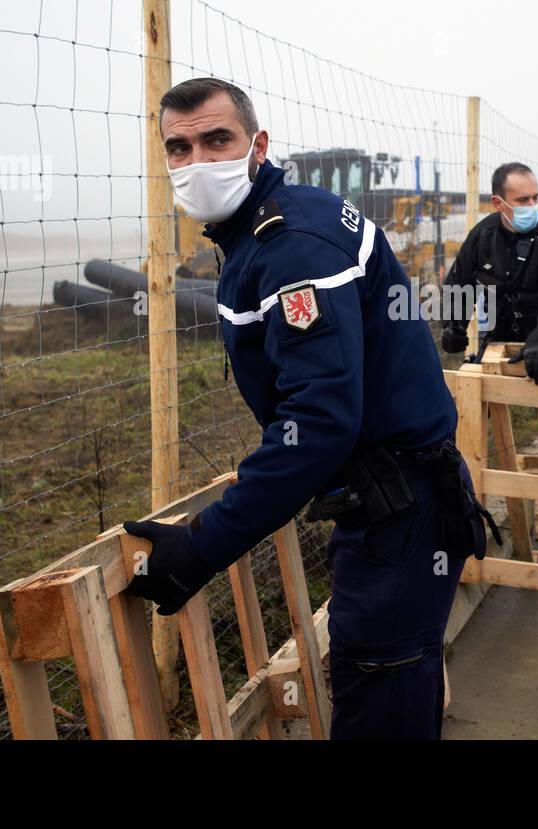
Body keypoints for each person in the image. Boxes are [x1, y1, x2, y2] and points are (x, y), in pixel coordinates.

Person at [123, 78, 496, 739]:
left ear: (257, 144)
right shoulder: (275, 226)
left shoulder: (292, 245)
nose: (197, 161)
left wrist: (202, 545)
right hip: (395, 499)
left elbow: (319, 422)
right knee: (391, 682)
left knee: (380, 698)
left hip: (399, 510)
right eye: (178, 148)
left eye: (217, 140)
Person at [440, 162, 538, 551]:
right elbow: (458, 282)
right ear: (499, 203)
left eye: (535, 197)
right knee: (460, 423)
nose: (532, 205)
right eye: (521, 200)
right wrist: (455, 327)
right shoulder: (484, 235)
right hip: (503, 345)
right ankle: (460, 528)